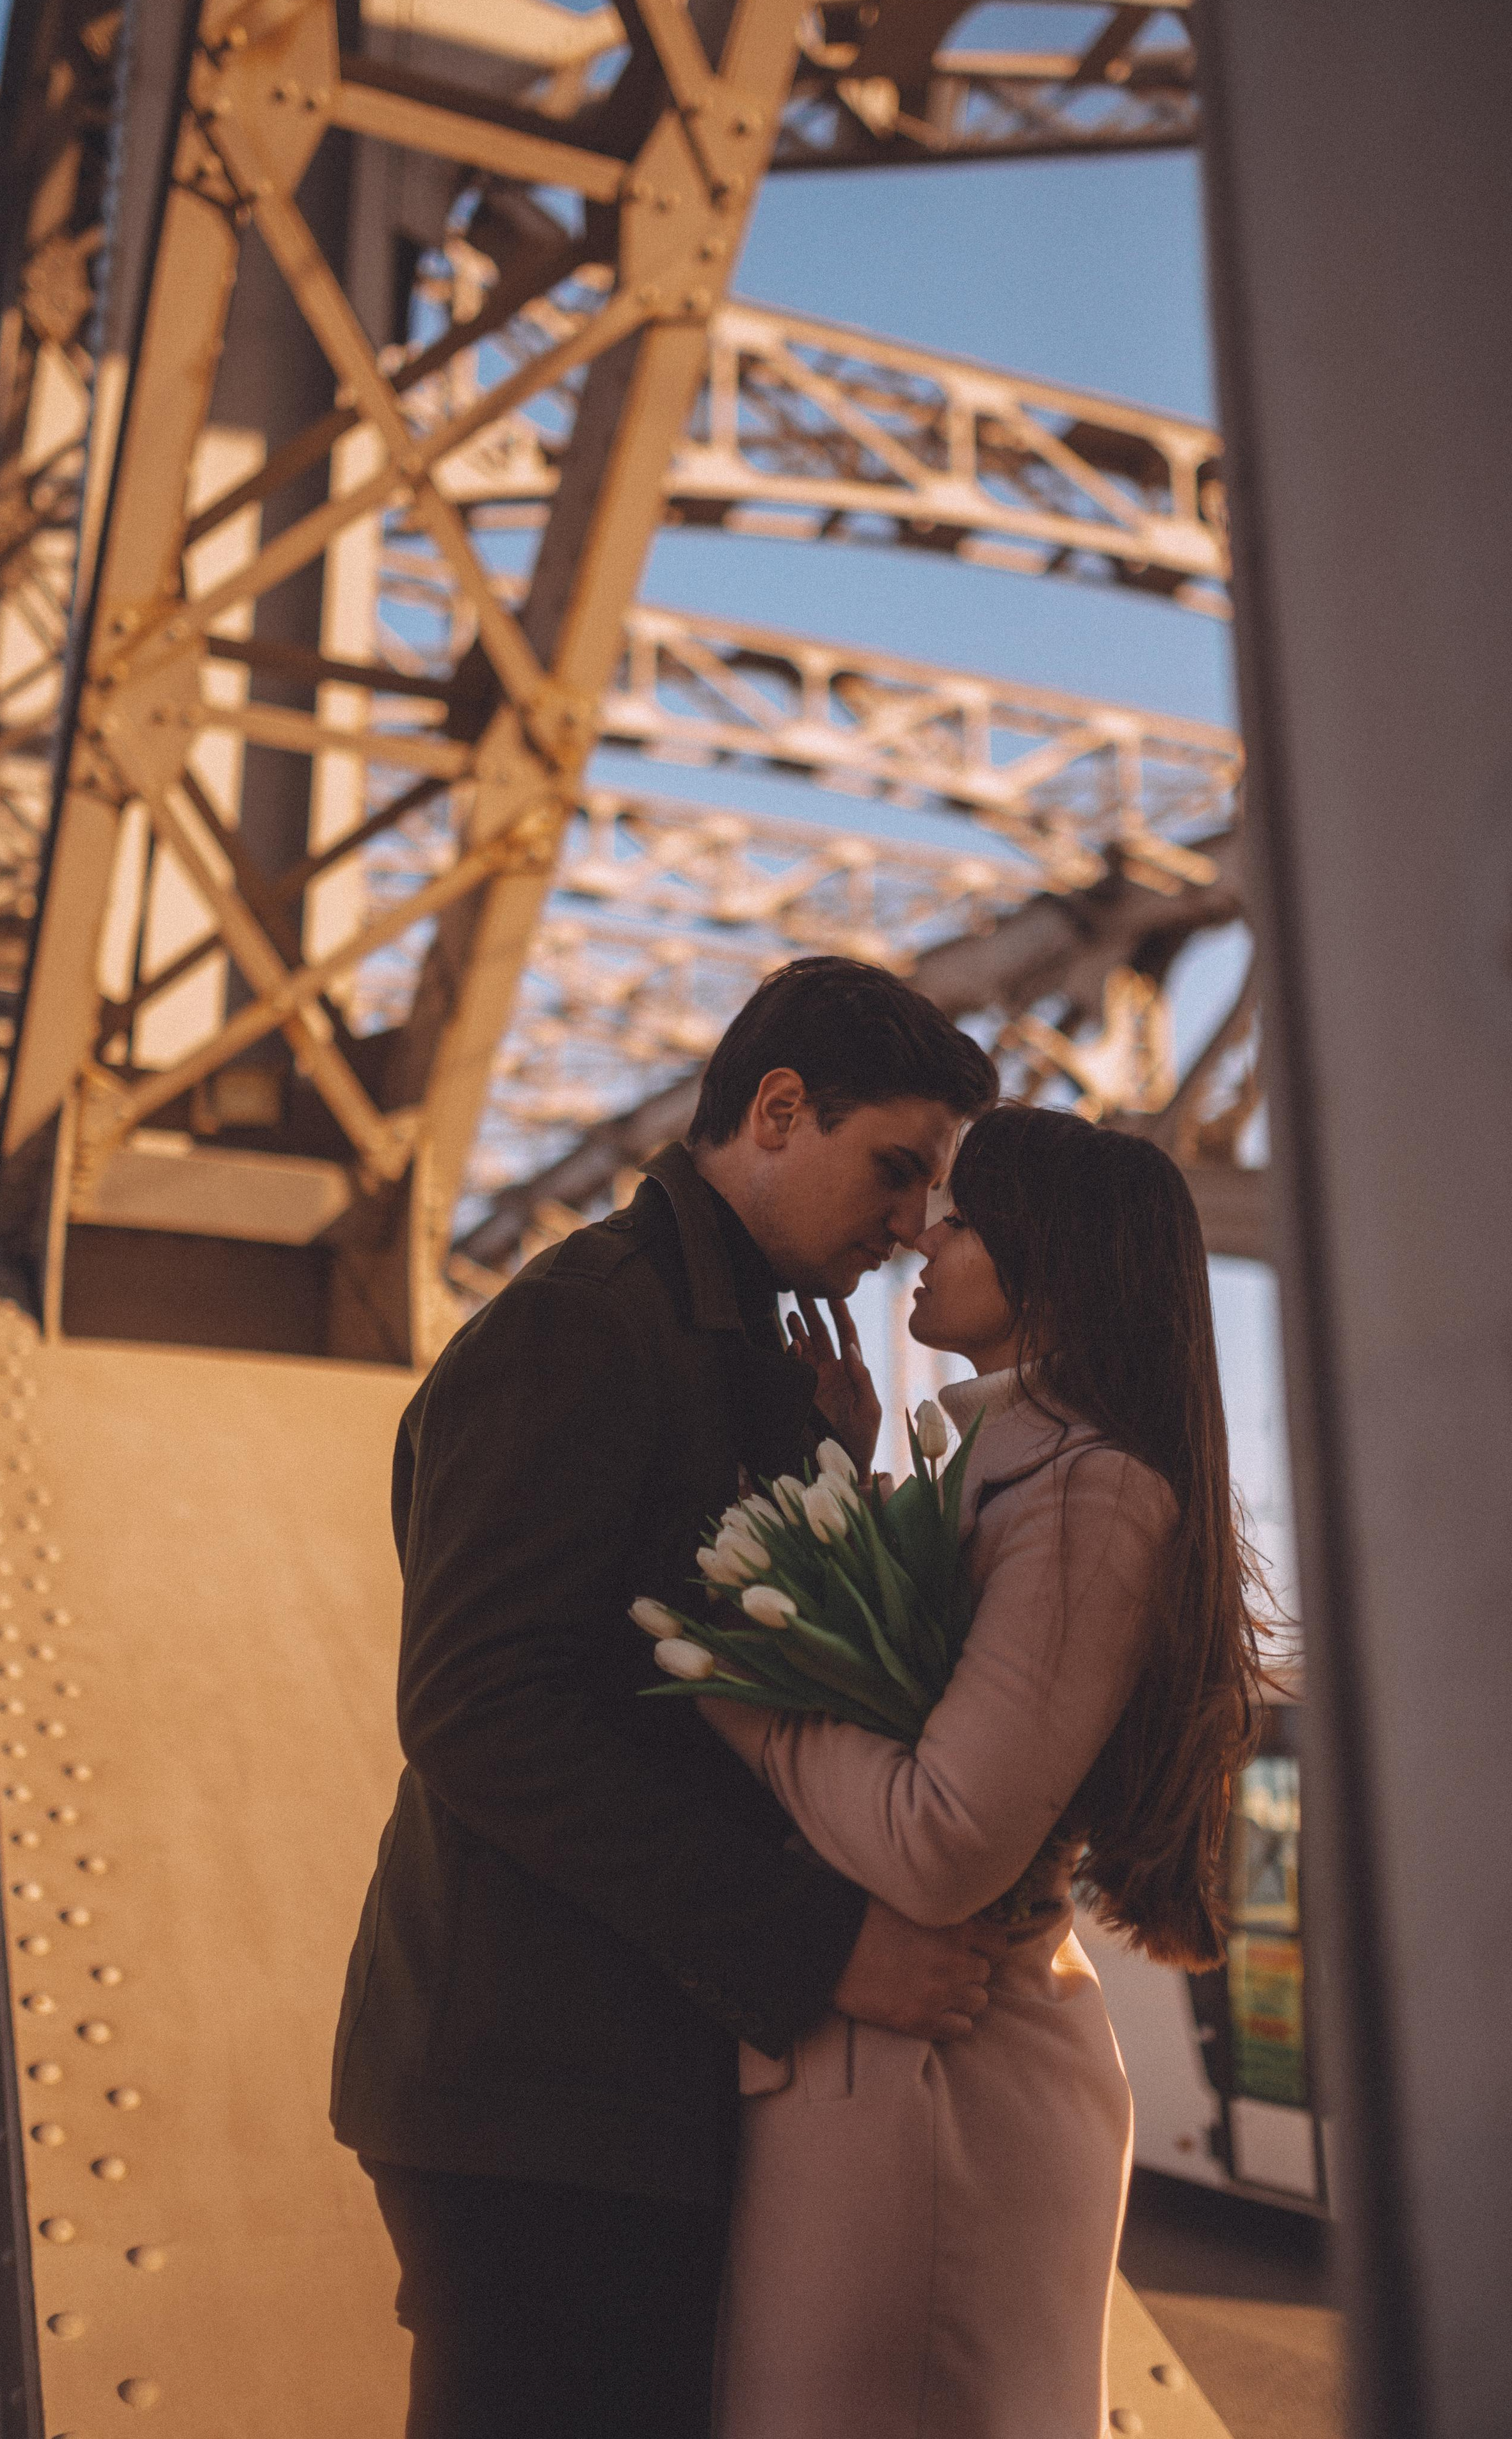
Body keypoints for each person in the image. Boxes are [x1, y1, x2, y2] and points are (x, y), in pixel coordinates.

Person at [330, 957, 1001, 2439]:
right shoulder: (587, 1322)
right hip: (537, 2092)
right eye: (894, 1172)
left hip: (601, 2080)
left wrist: (844, 1466)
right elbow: (477, 1707)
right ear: (775, 1109)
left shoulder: (724, 1340)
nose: (909, 1232)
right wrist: (817, 1944)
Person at [703, 1103, 1267, 2439]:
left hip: (936, 2097)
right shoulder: (1015, 1470)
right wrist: (842, 1474)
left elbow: (944, 1835)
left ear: (1050, 1261)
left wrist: (735, 1692)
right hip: (902, 2085)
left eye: (955, 1219)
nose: (917, 1238)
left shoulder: (1088, 1494)